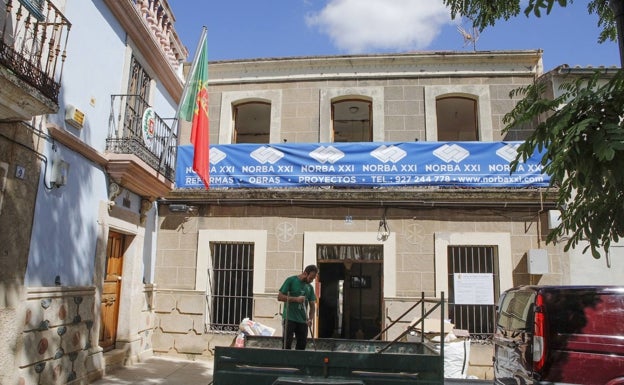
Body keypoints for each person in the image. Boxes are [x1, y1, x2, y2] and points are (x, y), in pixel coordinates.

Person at [277, 264, 318, 350]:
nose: (311, 281)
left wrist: (310, 318)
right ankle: (286, 361)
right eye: (311, 278)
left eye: (313, 279)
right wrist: (296, 299)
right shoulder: (291, 281)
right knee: (287, 343)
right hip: (289, 318)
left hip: (303, 320)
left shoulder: (310, 288)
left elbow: (312, 306)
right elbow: (280, 297)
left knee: (302, 344)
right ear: (305, 273)